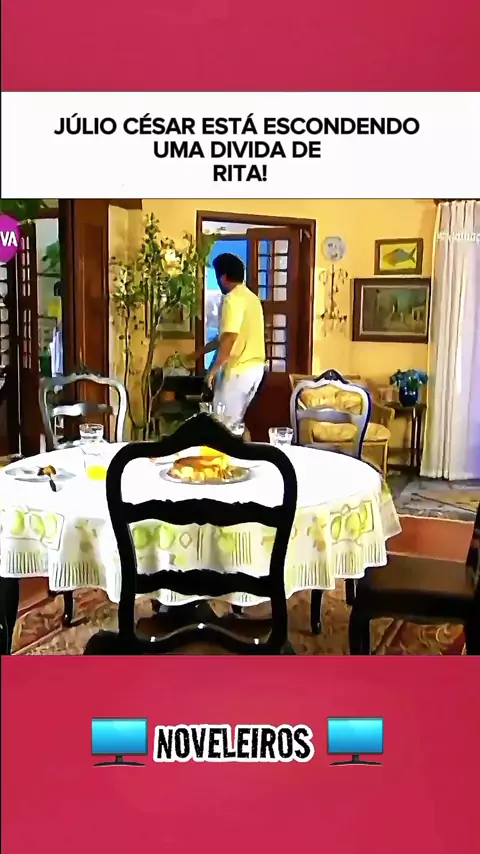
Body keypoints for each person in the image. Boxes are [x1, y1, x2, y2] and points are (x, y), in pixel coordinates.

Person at [189, 253, 266, 423]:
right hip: (255, 370)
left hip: (238, 371)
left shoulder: (232, 299)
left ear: (223, 277)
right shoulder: (252, 298)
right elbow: (223, 338)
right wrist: (198, 354)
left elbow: (229, 339)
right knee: (235, 423)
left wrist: (212, 371)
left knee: (222, 425)